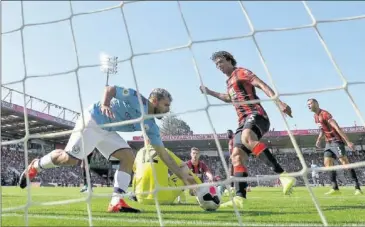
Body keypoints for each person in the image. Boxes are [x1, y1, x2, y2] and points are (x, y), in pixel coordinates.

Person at [19, 86, 197, 213]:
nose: (167, 110)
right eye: (166, 105)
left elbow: (163, 154)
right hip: (93, 120)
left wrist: (183, 176)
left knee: (128, 157)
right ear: (155, 100)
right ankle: (36, 165)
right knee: (70, 159)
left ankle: (116, 202)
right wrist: (105, 104)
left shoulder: (151, 125)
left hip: (107, 131)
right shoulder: (137, 98)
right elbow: (110, 89)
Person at [200, 51, 296, 208]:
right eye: (217, 64)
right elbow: (228, 98)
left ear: (230, 60)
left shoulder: (242, 72)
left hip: (256, 115)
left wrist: (279, 103)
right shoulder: (229, 82)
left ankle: (284, 176)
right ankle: (239, 198)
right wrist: (210, 92)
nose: (219, 66)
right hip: (242, 121)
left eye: (221, 62)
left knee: (246, 138)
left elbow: (262, 84)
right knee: (236, 156)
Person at [307, 98, 362, 195]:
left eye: (310, 103)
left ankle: (357, 188)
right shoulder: (315, 116)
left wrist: (348, 141)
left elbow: (337, 128)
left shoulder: (325, 114)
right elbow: (322, 129)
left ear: (316, 103)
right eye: (308, 104)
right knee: (327, 164)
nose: (309, 106)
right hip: (328, 143)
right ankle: (335, 188)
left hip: (336, 141)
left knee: (345, 163)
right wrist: (319, 139)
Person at [132, 139, 202, 205]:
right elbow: (185, 167)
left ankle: (134, 194)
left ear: (145, 141)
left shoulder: (139, 152)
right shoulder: (164, 151)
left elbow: (135, 173)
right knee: (184, 171)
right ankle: (200, 193)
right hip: (163, 198)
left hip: (141, 198)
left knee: (136, 173)